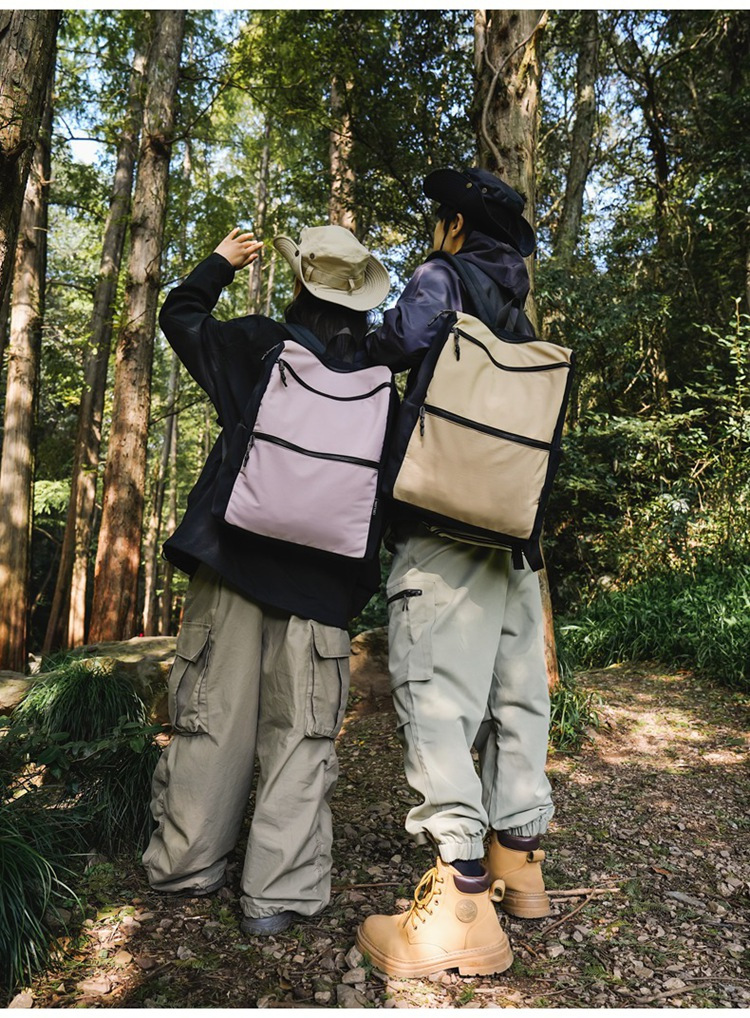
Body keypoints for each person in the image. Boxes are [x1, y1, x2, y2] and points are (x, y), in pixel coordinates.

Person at [142, 224, 391, 935]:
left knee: (210, 720)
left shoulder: (257, 345)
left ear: (302, 285)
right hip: (322, 587)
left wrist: (220, 262)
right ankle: (277, 897)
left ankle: (187, 867)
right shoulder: (380, 385)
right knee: (300, 736)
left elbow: (180, 316)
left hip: (232, 564)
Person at [355, 168, 554, 978]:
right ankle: (519, 865)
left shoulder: (444, 275)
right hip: (513, 539)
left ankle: (462, 909)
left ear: (457, 225)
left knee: (435, 693)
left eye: (442, 218)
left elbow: (394, 343)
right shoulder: (520, 310)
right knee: (516, 697)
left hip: (443, 524)